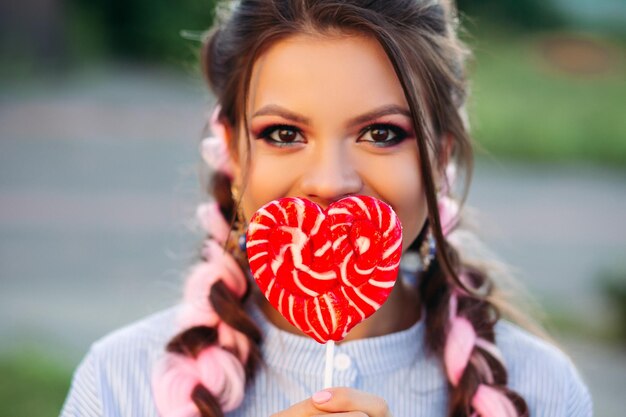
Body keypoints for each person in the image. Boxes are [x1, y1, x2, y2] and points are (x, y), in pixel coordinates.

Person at [60, 1, 592, 416]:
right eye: (284, 133)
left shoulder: (540, 389)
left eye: (382, 133)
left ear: (439, 158)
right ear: (235, 154)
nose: (330, 182)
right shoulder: (120, 382)